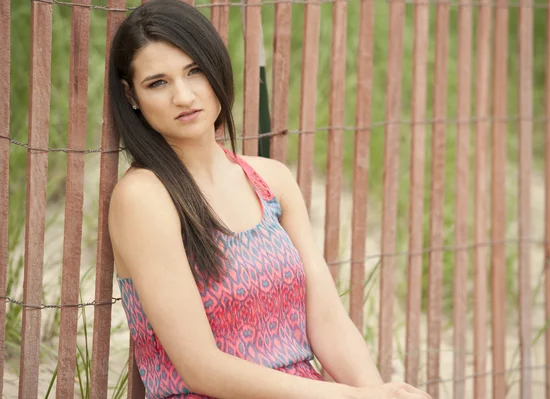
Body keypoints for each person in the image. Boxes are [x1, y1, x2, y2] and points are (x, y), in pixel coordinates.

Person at [107, 1, 431, 398]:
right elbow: (199, 368)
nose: (184, 95)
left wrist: (379, 392)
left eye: (195, 72)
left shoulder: (270, 179)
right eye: (158, 82)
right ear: (132, 95)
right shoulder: (143, 197)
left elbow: (327, 320)